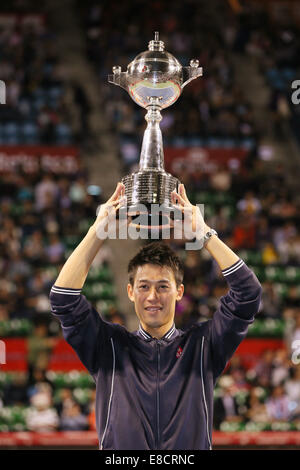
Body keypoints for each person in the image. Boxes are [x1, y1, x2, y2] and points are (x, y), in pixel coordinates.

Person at [49, 182, 262, 450]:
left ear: (179, 291)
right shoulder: (109, 347)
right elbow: (63, 298)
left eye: (163, 286)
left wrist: (204, 234)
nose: (152, 296)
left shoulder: (204, 346)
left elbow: (249, 294)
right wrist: (98, 231)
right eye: (143, 286)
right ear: (129, 291)